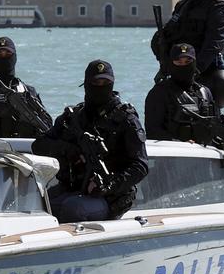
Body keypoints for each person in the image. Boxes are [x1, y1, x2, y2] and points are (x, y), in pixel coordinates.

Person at [32, 60, 149, 223]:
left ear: (112, 83)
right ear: (86, 84)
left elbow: (140, 166)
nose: (100, 87)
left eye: (105, 82)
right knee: (32, 204)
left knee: (73, 207)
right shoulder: (73, 117)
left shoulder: (126, 120)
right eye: (96, 82)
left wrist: (109, 184)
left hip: (109, 197)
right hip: (72, 188)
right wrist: (68, 150)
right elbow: (39, 145)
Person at [145, 43, 224, 160]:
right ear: (171, 64)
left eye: (187, 62)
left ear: (194, 63)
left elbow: (213, 129)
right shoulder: (159, 93)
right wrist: (179, 144)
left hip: (202, 159)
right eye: (179, 62)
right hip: (171, 159)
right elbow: (153, 131)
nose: (183, 66)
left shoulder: (204, 92)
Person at [151, 0, 224, 82]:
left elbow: (214, 43)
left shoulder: (218, 6)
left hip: (205, 68)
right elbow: (167, 33)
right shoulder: (183, 5)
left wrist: (194, 71)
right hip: (177, 66)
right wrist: (164, 60)